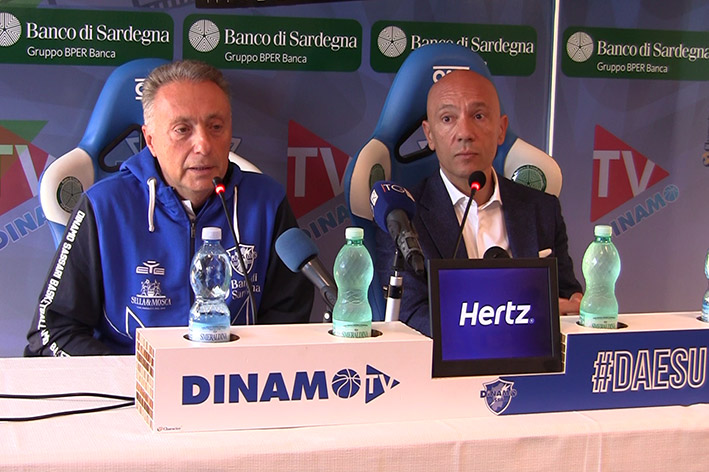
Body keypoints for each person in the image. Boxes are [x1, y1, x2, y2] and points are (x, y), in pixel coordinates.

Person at [26, 60, 313, 356]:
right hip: (129, 378)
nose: (203, 145)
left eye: (216, 127)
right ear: (150, 140)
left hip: (234, 378)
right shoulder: (104, 207)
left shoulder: (268, 203)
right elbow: (51, 331)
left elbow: (289, 323)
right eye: (182, 129)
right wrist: (129, 377)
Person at [375, 70, 583, 336]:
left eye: (478, 116)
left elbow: (566, 296)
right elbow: (411, 314)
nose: (465, 133)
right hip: (444, 360)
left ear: (501, 129)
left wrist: (576, 305)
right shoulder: (402, 215)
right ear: (429, 135)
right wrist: (510, 321)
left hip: (532, 359)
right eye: (448, 118)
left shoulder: (542, 209)